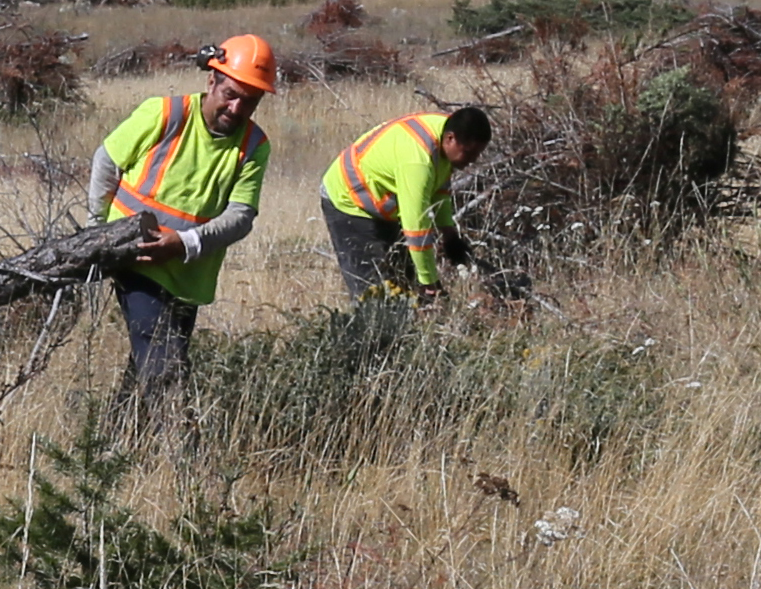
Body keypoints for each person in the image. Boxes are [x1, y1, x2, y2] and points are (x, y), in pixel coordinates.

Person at [91, 34, 278, 416]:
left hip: (189, 274)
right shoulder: (163, 114)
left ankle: (112, 443)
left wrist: (184, 243)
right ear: (211, 81)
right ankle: (183, 463)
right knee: (165, 365)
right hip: (134, 261)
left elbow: (241, 217)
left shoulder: (255, 144)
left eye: (250, 100)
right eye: (231, 93)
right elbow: (106, 161)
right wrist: (97, 233)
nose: (237, 107)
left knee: (149, 361)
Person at [322, 104, 491, 311]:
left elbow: (439, 190)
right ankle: (368, 338)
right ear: (450, 139)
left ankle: (403, 333)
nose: (472, 160)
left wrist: (449, 235)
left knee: (403, 283)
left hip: (382, 207)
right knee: (372, 293)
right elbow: (417, 229)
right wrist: (430, 283)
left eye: (478, 154)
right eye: (469, 153)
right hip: (348, 202)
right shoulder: (417, 162)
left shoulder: (445, 134)